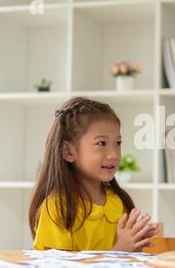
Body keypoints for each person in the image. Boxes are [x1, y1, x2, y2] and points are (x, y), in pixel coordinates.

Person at [29, 97, 159, 251]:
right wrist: (119, 250)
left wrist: (136, 241)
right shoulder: (57, 208)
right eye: (101, 143)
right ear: (68, 151)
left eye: (118, 143)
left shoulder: (119, 202)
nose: (114, 155)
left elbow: (126, 261)